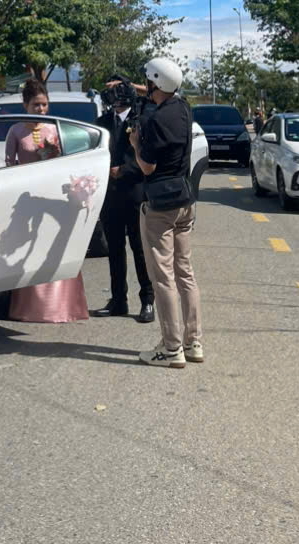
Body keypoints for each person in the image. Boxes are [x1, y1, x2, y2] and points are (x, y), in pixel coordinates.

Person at [129, 57, 203, 369]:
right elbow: (164, 93)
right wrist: (137, 89)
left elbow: (147, 166)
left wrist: (135, 144)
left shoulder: (154, 122)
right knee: (185, 273)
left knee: (163, 278)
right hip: (185, 201)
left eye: (148, 82)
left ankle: (171, 349)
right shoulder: (184, 109)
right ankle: (193, 342)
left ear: (155, 83)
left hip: (160, 207)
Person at [3, 78, 88, 323]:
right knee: (31, 246)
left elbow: (67, 163)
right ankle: (31, 307)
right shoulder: (16, 131)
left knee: (56, 246)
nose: (41, 109)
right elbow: (8, 165)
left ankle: (62, 306)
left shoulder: (54, 128)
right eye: (36, 105)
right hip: (27, 198)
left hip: (54, 196)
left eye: (44, 104)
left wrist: (53, 155)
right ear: (25, 105)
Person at [92, 75, 154, 324]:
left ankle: (147, 300)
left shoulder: (142, 120)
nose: (113, 93)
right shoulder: (102, 123)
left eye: (117, 88)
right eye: (110, 88)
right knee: (115, 249)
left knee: (140, 249)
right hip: (110, 196)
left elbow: (149, 157)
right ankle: (118, 299)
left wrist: (125, 170)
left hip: (135, 193)